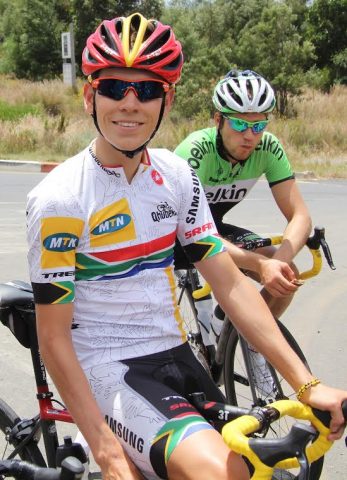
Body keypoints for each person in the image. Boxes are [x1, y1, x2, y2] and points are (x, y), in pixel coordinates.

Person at [26, 13, 346, 480]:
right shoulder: (60, 197)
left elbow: (231, 285)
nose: (130, 104)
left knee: (251, 468)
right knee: (219, 474)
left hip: (175, 355)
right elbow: (53, 337)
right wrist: (108, 451)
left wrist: (307, 384)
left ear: (167, 99)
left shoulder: (176, 178)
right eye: (115, 87)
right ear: (89, 95)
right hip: (106, 364)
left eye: (147, 90)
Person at [174, 69, 312, 320]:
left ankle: (248, 343)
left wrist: (278, 263)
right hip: (175, 236)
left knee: (286, 274)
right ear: (218, 120)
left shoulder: (268, 147)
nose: (250, 136)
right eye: (239, 124)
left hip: (212, 230)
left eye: (259, 125)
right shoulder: (196, 151)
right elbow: (193, 233)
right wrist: (260, 264)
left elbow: (300, 216)